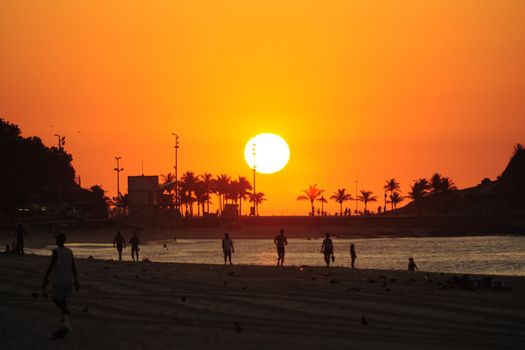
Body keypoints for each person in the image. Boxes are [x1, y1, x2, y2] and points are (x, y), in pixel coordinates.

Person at [41, 234, 79, 332]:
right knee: (63, 298)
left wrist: (45, 279)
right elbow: (73, 267)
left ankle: (65, 311)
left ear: (59, 240)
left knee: (55, 299)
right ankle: (64, 316)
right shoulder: (69, 251)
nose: (56, 241)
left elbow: (51, 266)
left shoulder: (56, 251)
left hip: (59, 279)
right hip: (68, 279)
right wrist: (76, 280)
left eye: (57, 239)